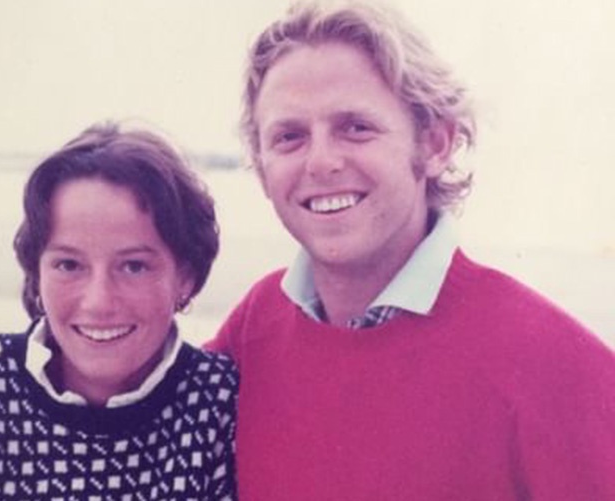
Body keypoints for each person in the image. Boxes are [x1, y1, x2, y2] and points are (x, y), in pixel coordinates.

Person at [206, 1, 615, 499]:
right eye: (290, 137)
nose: (321, 161)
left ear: (435, 144)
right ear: (262, 167)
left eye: (356, 127)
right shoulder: (255, 328)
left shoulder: (559, 366)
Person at [0, 122, 238, 500]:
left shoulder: (218, 407)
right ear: (36, 272)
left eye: (134, 266)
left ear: (185, 277)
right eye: (69, 265)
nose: (99, 302)